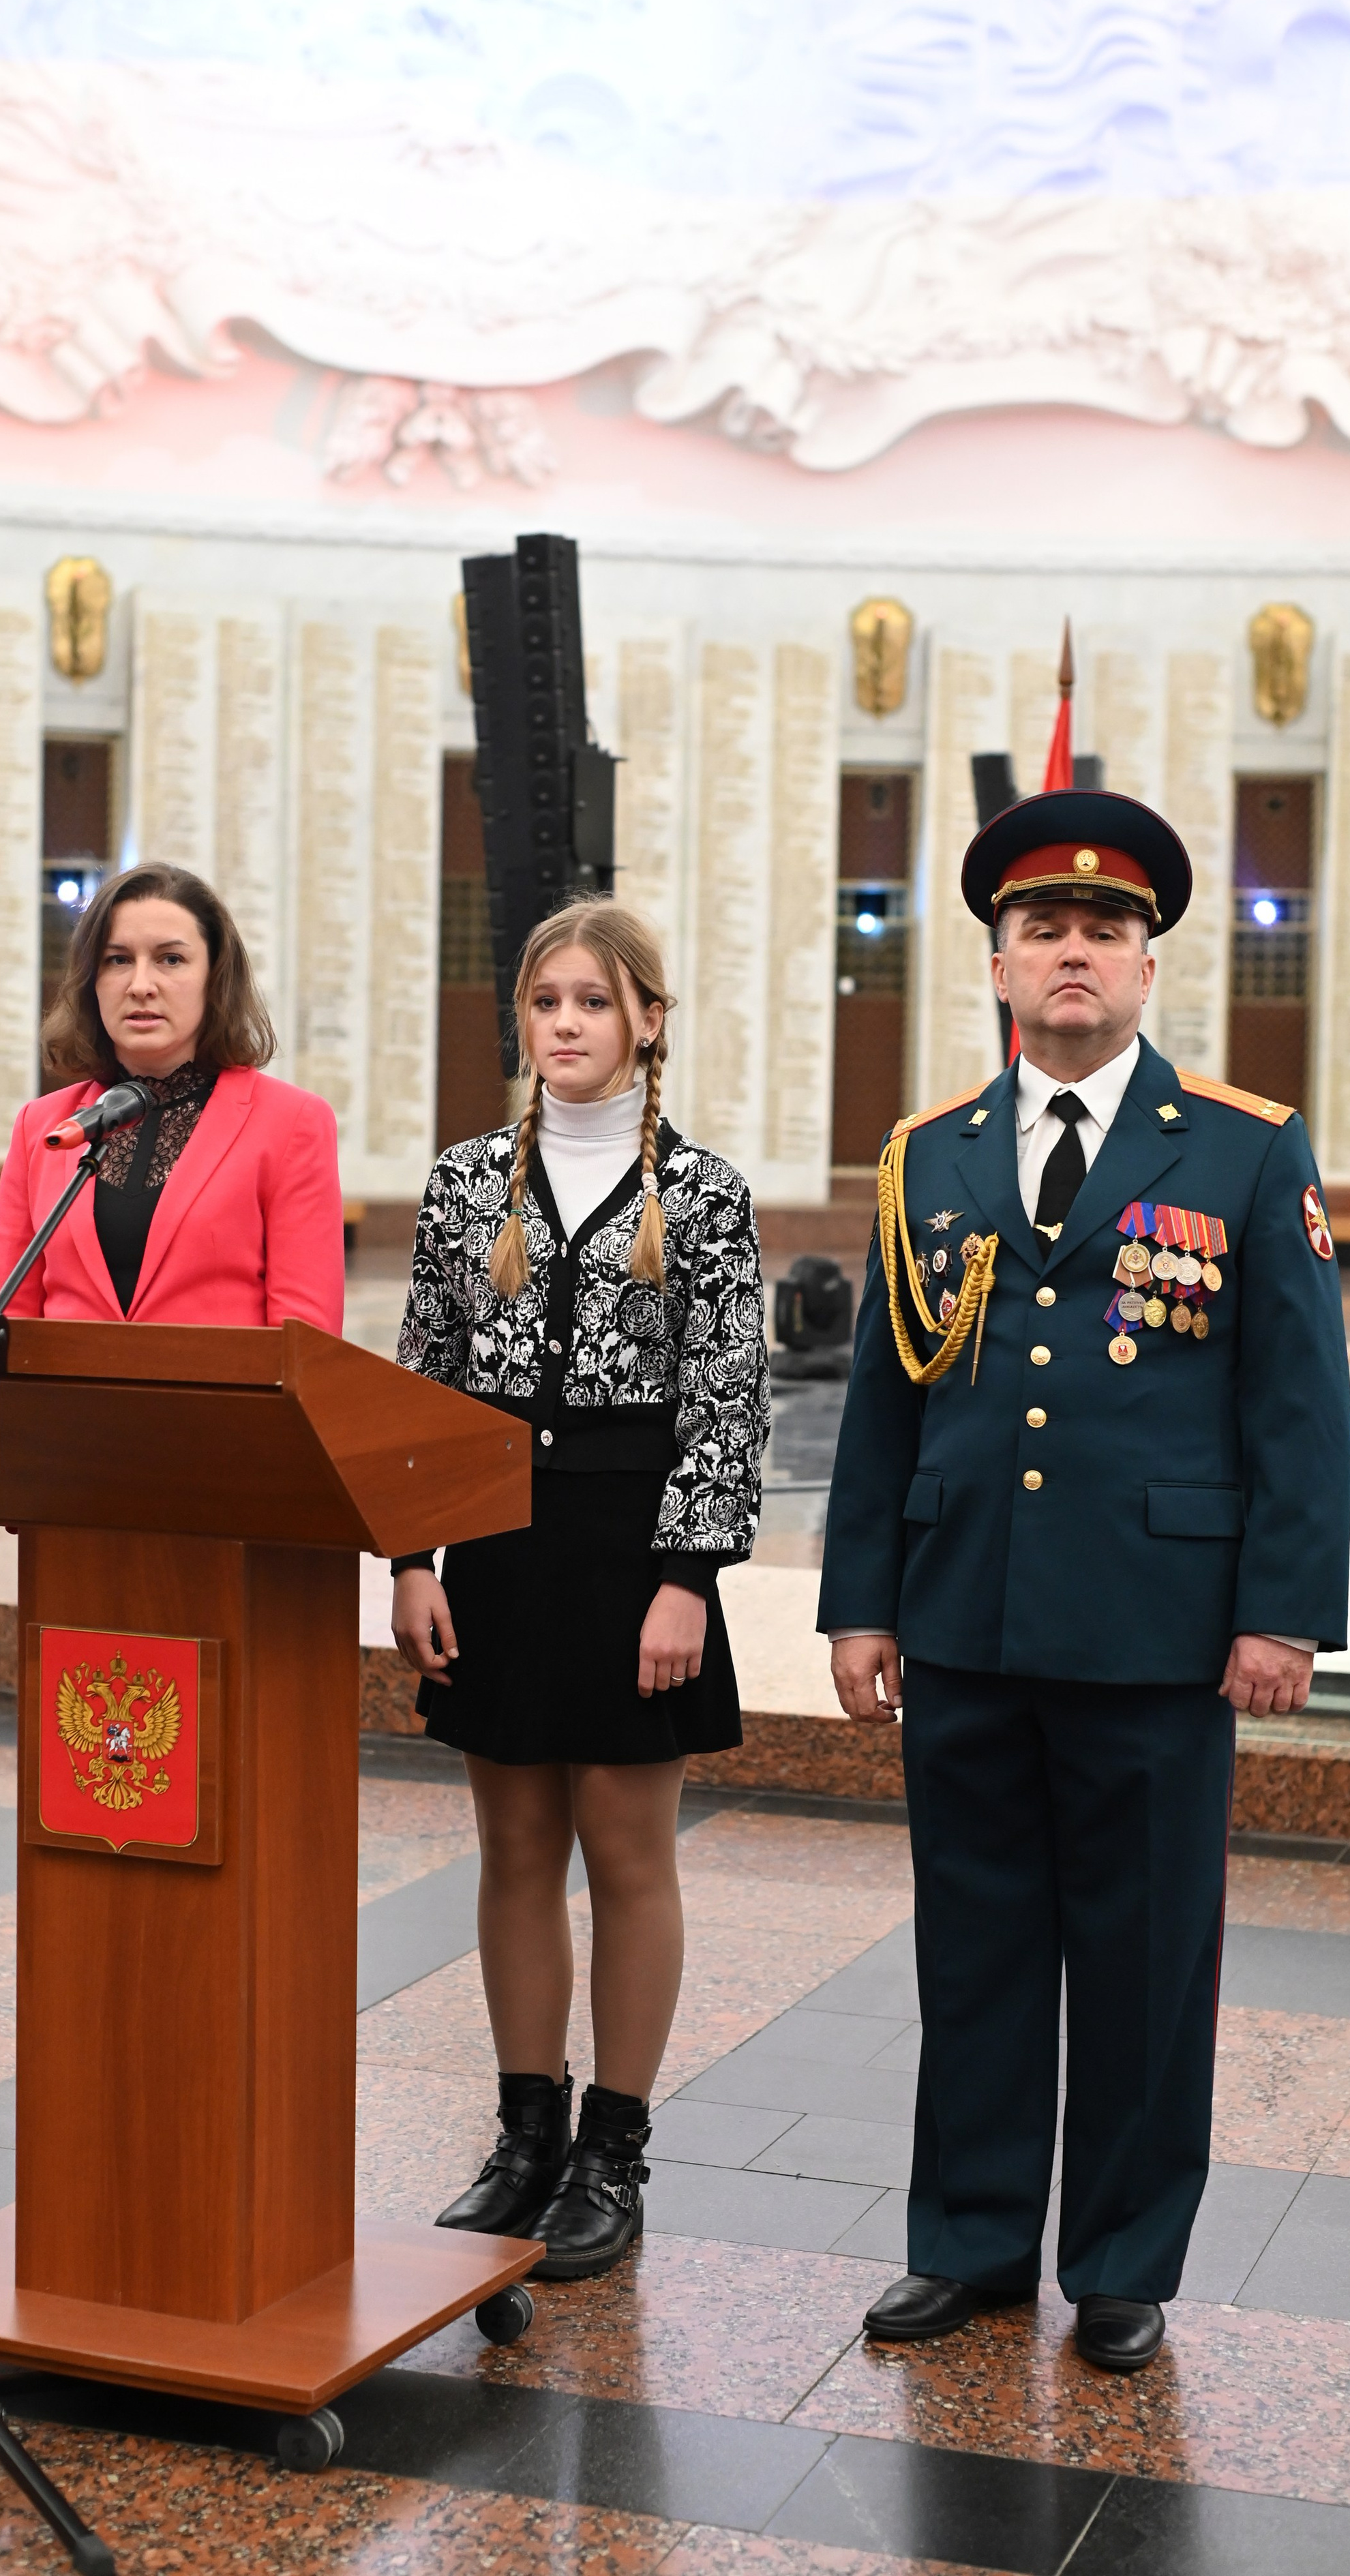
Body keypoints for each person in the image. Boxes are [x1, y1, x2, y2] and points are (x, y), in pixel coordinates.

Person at [819, 789, 1350, 2374]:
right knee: (970, 1945)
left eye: (1101, 929)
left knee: (1138, 1956)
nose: (1071, 950)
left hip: (1152, 1628)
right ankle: (969, 2242)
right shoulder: (929, 1154)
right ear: (994, 962)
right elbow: (880, 1396)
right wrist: (858, 1599)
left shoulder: (1245, 1148)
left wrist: (1278, 1610)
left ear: (1143, 967)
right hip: (965, 1612)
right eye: (1040, 927)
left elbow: (1295, 1403)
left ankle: (1120, 2256)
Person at [391, 898, 768, 2279]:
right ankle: (523, 2132)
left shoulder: (707, 1194)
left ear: (646, 1022)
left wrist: (685, 1582)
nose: (564, 1024)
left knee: (623, 1853)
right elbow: (419, 1381)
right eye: (545, 1001)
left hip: (628, 1547)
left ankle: (613, 2149)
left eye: (592, 1003)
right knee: (508, 1849)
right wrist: (409, 1558)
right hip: (493, 1540)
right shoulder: (463, 1183)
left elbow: (726, 1399)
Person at [0, 861, 344, 1335]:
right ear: (93, 983)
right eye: (118, 960)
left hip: (221, 1407)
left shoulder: (292, 1123)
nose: (141, 985)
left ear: (215, 979)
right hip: (67, 1408)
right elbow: (0, 1322)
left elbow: (305, 1342)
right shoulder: (43, 1125)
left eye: (171, 960)